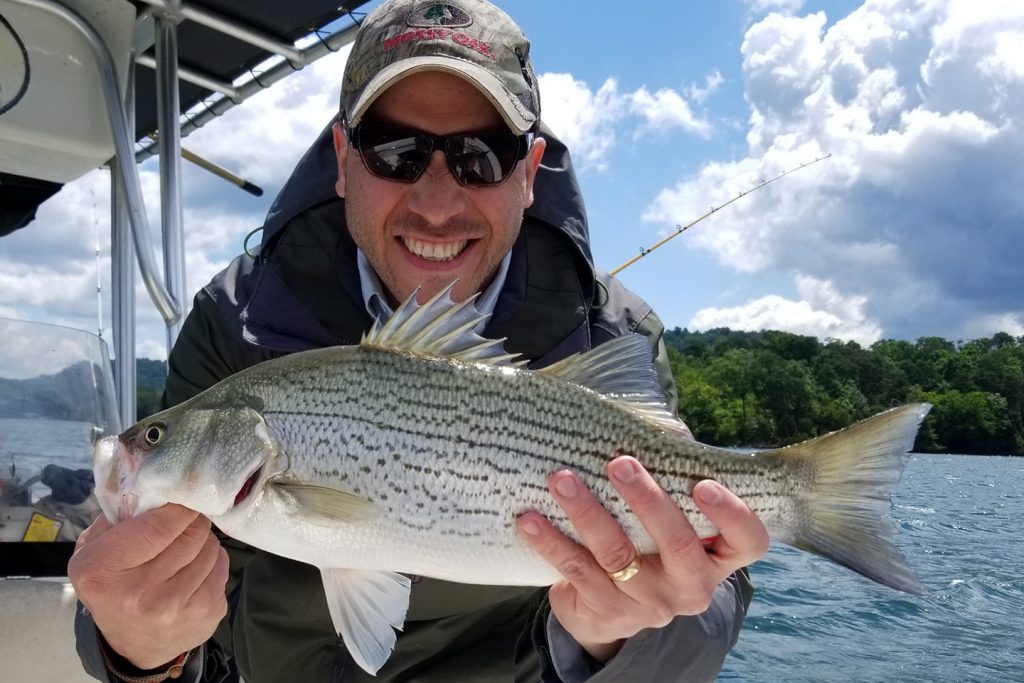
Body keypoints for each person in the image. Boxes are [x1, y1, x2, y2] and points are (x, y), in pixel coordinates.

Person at [69, 1, 769, 680]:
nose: (436, 204)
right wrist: (137, 652)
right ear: (343, 159)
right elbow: (152, 594)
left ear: (529, 171)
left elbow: (717, 589)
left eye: (482, 156)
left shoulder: (615, 334)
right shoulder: (233, 321)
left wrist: (614, 641)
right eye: (395, 151)